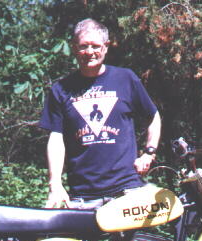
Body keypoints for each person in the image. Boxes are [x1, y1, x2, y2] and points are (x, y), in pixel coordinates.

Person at [39, 18, 161, 209]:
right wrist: (55, 184)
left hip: (127, 191)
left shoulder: (125, 78)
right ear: (74, 48)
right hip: (82, 197)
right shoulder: (60, 89)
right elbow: (56, 138)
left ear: (106, 47)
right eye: (83, 46)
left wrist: (149, 153)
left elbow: (153, 116)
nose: (89, 52)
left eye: (95, 46)